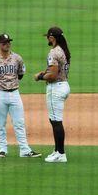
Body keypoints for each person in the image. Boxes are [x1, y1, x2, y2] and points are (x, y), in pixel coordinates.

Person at [0, 33, 40, 159]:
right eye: (4, 43)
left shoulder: (17, 58)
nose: (7, 44)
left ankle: (24, 149)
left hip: (14, 93)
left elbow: (20, 74)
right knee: (0, 123)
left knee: (19, 122)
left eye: (8, 42)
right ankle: (2, 149)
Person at [37, 26, 71, 163]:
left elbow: (52, 74)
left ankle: (61, 154)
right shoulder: (64, 50)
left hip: (56, 88)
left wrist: (40, 76)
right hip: (64, 85)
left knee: (56, 122)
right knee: (54, 120)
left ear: (52, 38)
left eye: (48, 37)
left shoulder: (54, 52)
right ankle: (57, 150)